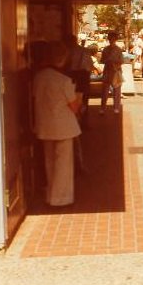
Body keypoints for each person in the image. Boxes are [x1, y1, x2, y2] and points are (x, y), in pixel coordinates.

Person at [32, 41, 82, 207]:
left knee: (49, 162)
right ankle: (61, 198)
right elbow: (74, 107)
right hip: (64, 127)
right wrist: (80, 100)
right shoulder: (64, 80)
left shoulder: (38, 78)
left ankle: (50, 195)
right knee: (63, 164)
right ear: (62, 59)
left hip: (45, 126)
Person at [99, 32, 124, 114]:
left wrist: (114, 62)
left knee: (116, 91)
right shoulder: (106, 49)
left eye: (113, 39)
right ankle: (103, 108)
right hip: (108, 71)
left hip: (116, 72)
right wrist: (108, 60)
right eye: (110, 38)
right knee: (105, 91)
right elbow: (102, 60)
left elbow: (121, 61)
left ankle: (116, 107)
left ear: (115, 39)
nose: (111, 40)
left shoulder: (118, 49)